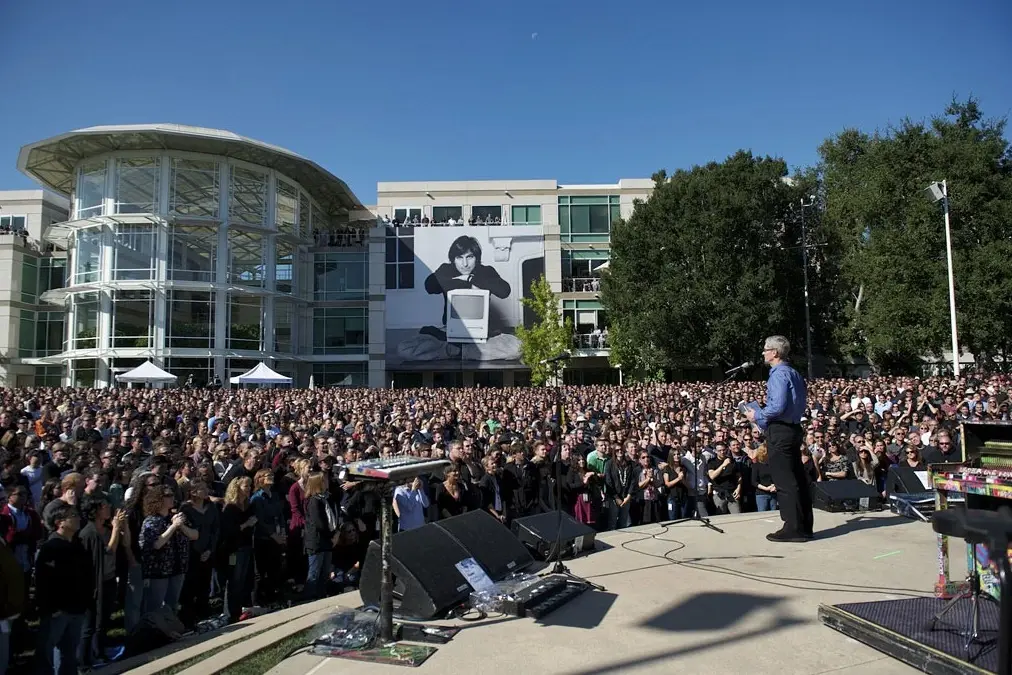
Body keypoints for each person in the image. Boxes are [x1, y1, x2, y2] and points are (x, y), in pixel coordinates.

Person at [396, 235, 523, 362]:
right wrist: (465, 282)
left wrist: (470, 278)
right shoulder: (446, 269)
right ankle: (468, 352)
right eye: (459, 258)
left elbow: (504, 291)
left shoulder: (486, 271)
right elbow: (429, 286)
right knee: (404, 349)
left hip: (483, 333)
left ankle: (455, 351)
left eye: (470, 257)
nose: (465, 264)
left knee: (518, 348)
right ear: (453, 259)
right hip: (449, 332)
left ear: (476, 258)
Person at [745, 335, 812, 542]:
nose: (763, 352)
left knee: (785, 481)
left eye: (766, 349)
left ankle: (791, 528)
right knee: (798, 479)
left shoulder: (777, 375)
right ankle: (804, 526)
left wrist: (757, 415)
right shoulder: (794, 373)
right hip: (793, 429)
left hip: (780, 432)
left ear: (774, 352)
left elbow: (777, 406)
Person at [34, 503, 93, 675]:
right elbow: (43, 582)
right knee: (46, 653)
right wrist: (51, 609)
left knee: (69, 654)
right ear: (60, 522)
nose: (78, 519)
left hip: (76, 609)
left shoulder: (76, 544)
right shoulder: (51, 548)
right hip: (58, 611)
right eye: (73, 516)